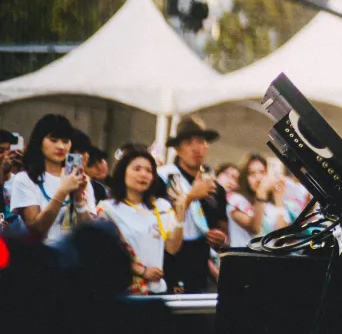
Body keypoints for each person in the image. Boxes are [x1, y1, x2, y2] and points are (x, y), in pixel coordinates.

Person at [97, 145, 185, 294]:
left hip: (156, 291)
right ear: (123, 172)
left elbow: (172, 248)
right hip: (123, 291)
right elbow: (103, 252)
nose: (143, 174)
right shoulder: (107, 209)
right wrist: (141, 271)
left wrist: (181, 215)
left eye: (149, 171)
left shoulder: (161, 206)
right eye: (137, 169)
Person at [159, 116, 228, 292]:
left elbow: (222, 230)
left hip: (200, 273)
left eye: (202, 141)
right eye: (189, 142)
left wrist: (221, 240)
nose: (197, 148)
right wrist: (190, 196)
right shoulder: (164, 178)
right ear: (178, 149)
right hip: (168, 266)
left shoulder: (216, 189)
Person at [8, 114, 96, 244]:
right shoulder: (25, 179)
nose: (61, 146)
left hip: (72, 254)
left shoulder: (78, 178)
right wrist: (63, 191)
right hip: (39, 254)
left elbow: (90, 232)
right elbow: (37, 229)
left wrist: (78, 199)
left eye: (65, 141)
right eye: (53, 140)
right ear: (39, 142)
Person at [226, 154, 288, 248]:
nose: (258, 178)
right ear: (245, 177)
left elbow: (281, 237)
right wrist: (261, 193)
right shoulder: (235, 200)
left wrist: (279, 201)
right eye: (252, 174)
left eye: (262, 172)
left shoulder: (270, 205)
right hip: (244, 256)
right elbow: (255, 229)